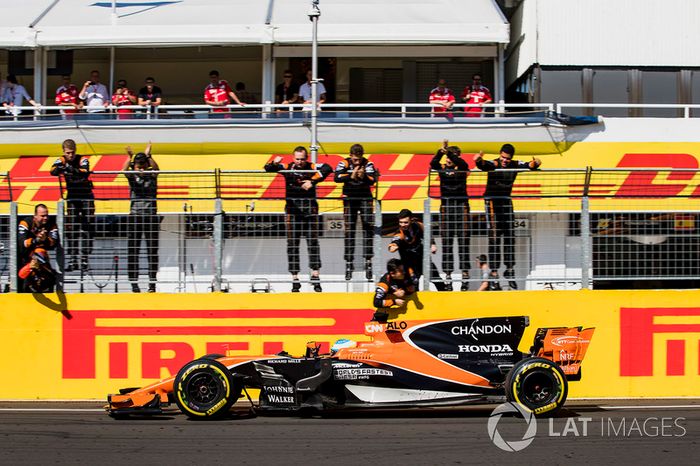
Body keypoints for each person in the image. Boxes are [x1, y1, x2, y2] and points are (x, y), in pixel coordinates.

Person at [474, 144, 542, 289]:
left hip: (506, 201)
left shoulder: (515, 164)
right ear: (500, 154)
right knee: (494, 237)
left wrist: (536, 163)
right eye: (503, 157)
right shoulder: (495, 163)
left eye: (507, 159)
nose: (505, 161)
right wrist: (478, 160)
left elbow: (529, 165)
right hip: (492, 202)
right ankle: (494, 273)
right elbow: (483, 165)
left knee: (510, 236)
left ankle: (509, 270)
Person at [264, 146, 331, 292]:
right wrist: (274, 163)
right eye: (297, 159)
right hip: (292, 211)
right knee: (292, 244)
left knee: (313, 243)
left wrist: (312, 181)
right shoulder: (287, 167)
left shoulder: (312, 167)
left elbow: (328, 167)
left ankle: (315, 275)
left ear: (306, 158)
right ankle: (295, 278)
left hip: (310, 210)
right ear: (293, 158)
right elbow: (267, 168)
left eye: (302, 159)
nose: (300, 162)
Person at [430, 140, 471, 291]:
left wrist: (450, 154)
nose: (447, 160)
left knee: (463, 242)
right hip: (446, 207)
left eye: (451, 157)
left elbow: (463, 164)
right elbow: (433, 163)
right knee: (446, 243)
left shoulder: (462, 168)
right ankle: (447, 276)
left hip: (462, 207)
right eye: (447, 157)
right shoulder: (441, 168)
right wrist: (441, 151)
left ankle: (465, 276)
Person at [50, 139, 95, 271]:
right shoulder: (62, 159)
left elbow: (85, 171)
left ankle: (85, 260)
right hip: (72, 197)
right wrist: (63, 167)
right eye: (68, 153)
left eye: (72, 152)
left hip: (86, 197)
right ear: (64, 152)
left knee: (87, 229)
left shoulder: (82, 159)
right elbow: (52, 171)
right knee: (71, 229)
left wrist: (70, 168)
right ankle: (73, 259)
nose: (70, 155)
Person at [334, 143, 377, 281]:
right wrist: (351, 176)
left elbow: (373, 180)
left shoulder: (368, 163)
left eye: (359, 159)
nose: (357, 162)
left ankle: (368, 263)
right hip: (349, 199)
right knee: (349, 231)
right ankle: (349, 263)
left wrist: (363, 176)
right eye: (355, 159)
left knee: (368, 229)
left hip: (365, 198)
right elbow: (336, 177)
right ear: (350, 155)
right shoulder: (343, 162)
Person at [122, 144, 160, 293]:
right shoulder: (132, 177)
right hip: (135, 217)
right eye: (138, 166)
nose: (141, 168)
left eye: (143, 165)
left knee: (152, 252)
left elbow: (157, 169)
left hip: (150, 217)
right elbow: (124, 171)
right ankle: (134, 284)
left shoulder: (151, 176)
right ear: (135, 166)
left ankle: (152, 284)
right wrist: (130, 158)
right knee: (133, 251)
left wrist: (149, 156)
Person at [388, 209, 446, 291]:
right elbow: (395, 241)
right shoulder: (399, 233)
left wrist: (432, 244)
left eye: (405, 222)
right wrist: (393, 246)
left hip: (423, 259)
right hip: (409, 264)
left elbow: (427, 234)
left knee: (437, 280)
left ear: (411, 220)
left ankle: (445, 296)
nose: (403, 225)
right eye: (400, 222)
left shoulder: (418, 225)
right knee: (414, 284)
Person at [18, 204, 59, 269]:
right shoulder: (26, 222)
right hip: (23, 255)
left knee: (39, 252)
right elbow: (22, 242)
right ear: (35, 216)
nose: (45, 218)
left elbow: (54, 242)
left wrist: (45, 239)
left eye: (46, 215)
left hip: (40, 254)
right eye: (42, 216)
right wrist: (36, 240)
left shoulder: (52, 223)